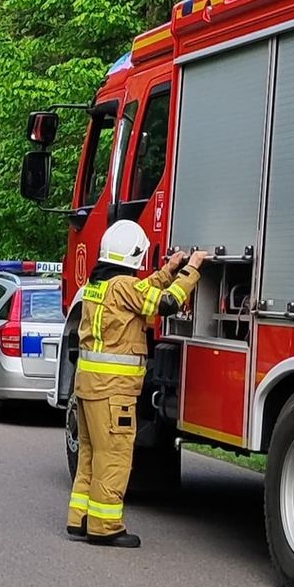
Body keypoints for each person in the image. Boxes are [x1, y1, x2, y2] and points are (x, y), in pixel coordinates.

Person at [66, 220, 205, 547]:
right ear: (134, 255)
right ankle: (105, 526)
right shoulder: (123, 288)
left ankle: (80, 519)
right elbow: (165, 303)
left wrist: (169, 269)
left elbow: (141, 293)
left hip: (88, 387)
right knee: (113, 456)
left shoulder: (97, 286)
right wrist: (192, 270)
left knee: (90, 454)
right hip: (113, 391)